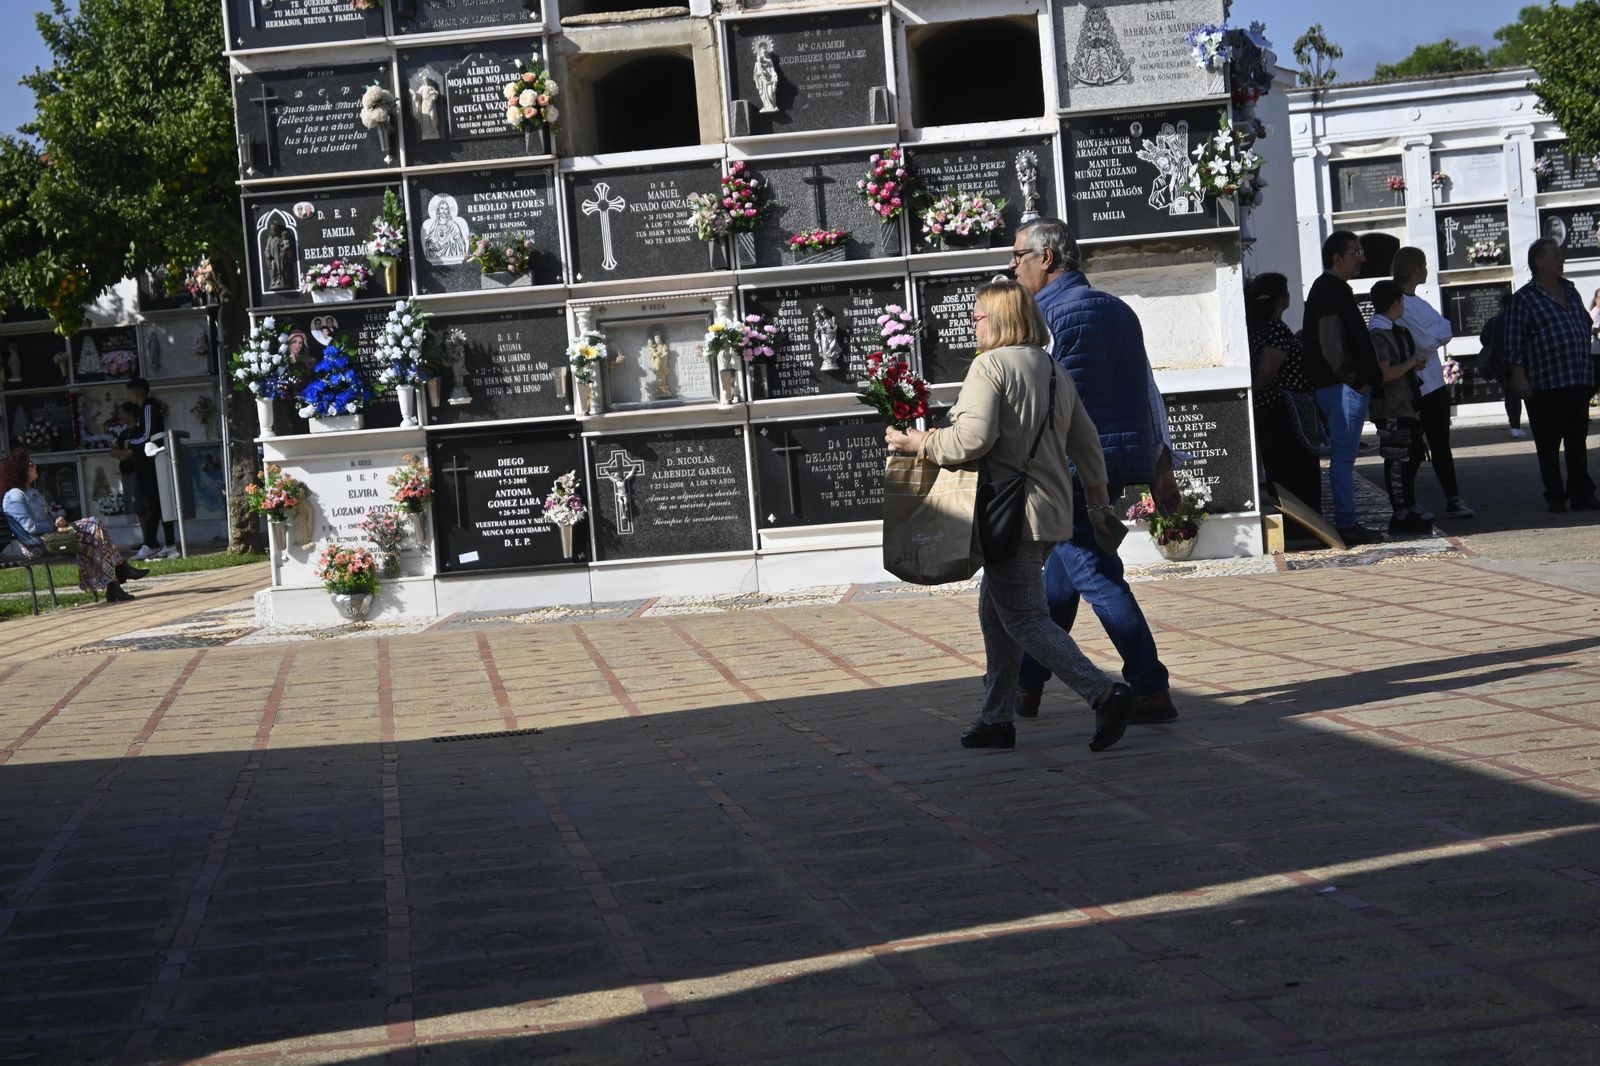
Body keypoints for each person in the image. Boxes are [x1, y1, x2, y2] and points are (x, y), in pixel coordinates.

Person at [884, 280, 1136, 752]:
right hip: (1047, 512)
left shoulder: (990, 366)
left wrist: (917, 443)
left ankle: (1104, 694)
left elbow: (971, 441)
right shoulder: (1055, 369)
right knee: (995, 612)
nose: (972, 323)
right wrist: (1099, 505)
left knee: (1023, 617)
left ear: (998, 319)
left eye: (977, 316)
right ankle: (995, 718)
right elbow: (1086, 443)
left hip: (1008, 512)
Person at [1007, 217, 1179, 725]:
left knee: (1099, 577)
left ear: (1048, 259)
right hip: (1116, 464)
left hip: (1068, 473)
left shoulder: (1045, 318)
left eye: (1019, 255)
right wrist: (1159, 465)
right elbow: (1149, 393)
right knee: (1058, 586)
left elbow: (1033, 399)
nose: (1011, 265)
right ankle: (1027, 686)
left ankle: (1150, 687)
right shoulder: (1119, 311)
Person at [1503, 238, 1599, 512]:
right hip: (1545, 383)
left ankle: (1582, 492)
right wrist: (1519, 377)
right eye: (1556, 256)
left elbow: (1584, 321)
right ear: (1539, 262)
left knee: (1577, 440)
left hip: (1577, 376)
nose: (1562, 259)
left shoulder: (1569, 290)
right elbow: (1514, 342)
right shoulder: (1525, 298)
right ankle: (1555, 494)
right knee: (1549, 443)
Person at [1302, 230, 1385, 543]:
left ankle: (1348, 520)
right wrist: (1358, 381)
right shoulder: (1327, 290)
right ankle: (1346, 523)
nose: (1361, 257)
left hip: (1344, 386)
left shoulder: (1334, 288)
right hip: (1342, 388)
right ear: (1337, 257)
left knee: (1344, 456)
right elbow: (1332, 346)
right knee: (1344, 458)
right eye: (1356, 251)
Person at [1393, 247, 1474, 520]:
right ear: (1415, 268)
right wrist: (1435, 334)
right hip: (1417, 387)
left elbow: (1446, 327)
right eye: (1424, 265)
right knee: (1414, 449)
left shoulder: (1420, 303)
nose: (1427, 270)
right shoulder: (1399, 304)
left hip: (1435, 384)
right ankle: (1408, 503)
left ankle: (1453, 498)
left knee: (1441, 445)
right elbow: (1426, 340)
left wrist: (1435, 334)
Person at [1, 448, 144, 602]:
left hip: (52, 537)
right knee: (93, 527)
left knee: (95, 534)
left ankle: (115, 585)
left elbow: (50, 514)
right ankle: (120, 570)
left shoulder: (32, 492)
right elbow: (31, 527)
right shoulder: (14, 496)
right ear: (20, 469)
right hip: (37, 545)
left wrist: (59, 520)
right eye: (30, 464)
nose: (34, 466)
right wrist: (53, 525)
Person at [1244, 272, 1322, 516]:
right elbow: (1267, 370)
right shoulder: (1274, 328)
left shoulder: (1260, 327)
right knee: (1294, 468)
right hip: (1283, 411)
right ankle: (1302, 520)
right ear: (1281, 299)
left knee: (1281, 467)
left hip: (1272, 408)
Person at [1367, 281, 1433, 536]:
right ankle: (1400, 510)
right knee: (1397, 459)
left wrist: (1412, 366)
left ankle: (1409, 503)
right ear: (1395, 303)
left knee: (1414, 453)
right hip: (1391, 408)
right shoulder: (1379, 335)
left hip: (1405, 404)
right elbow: (1385, 373)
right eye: (1402, 301)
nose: (1403, 305)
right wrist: (1410, 363)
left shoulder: (1395, 331)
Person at [125, 377, 179, 560]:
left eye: (131, 392)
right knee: (155, 505)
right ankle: (154, 543)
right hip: (147, 463)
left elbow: (149, 435)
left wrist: (131, 442)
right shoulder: (143, 410)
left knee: (155, 504)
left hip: (151, 463)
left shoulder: (147, 407)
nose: (129, 396)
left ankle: (161, 543)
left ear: (138, 392)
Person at [1479, 296, 1526, 438]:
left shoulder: (1494, 321)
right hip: (1520, 361)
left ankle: (1515, 426)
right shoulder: (1519, 320)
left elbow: (1483, 339)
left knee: (1510, 394)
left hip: (1499, 363)